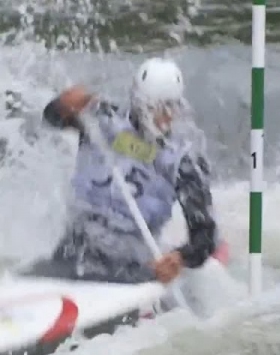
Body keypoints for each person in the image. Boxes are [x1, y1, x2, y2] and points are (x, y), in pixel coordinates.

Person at [29, 57, 224, 286]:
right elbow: (51, 119)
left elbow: (205, 235)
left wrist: (179, 258)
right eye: (153, 108)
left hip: (131, 265)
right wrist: (63, 105)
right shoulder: (100, 121)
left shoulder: (184, 160)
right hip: (76, 248)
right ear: (136, 100)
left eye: (169, 107)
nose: (162, 117)